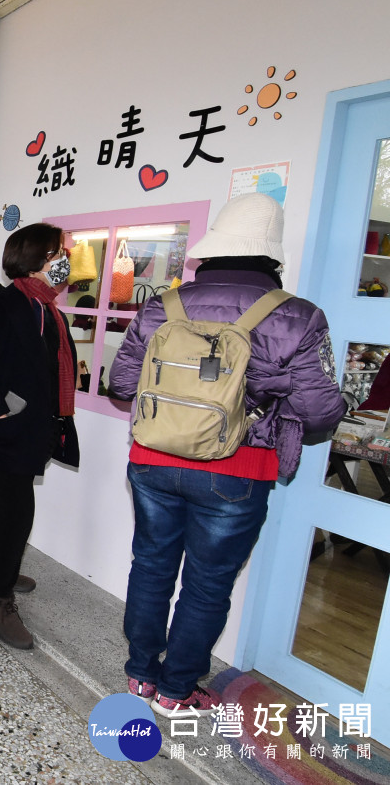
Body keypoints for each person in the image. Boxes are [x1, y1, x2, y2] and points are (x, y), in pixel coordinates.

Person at [109, 193, 347, 716]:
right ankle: (177, 689)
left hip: (153, 460)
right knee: (208, 582)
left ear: (211, 251)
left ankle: (140, 676)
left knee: (150, 566)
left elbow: (121, 383)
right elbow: (321, 411)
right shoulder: (299, 317)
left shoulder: (162, 305)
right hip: (237, 469)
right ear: (272, 257)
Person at [0, 222, 79, 650]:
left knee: (6, 504)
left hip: (33, 431)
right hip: (2, 433)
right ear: (30, 259)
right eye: (54, 255)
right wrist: (3, 410)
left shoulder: (50, 310)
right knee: (16, 512)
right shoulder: (2, 306)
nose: (63, 261)